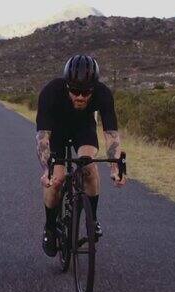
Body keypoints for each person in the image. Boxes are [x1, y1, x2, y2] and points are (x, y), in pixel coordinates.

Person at [35, 55, 127, 257]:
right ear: (66, 86)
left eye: (86, 93)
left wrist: (115, 168)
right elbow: (43, 138)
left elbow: (111, 134)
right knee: (56, 180)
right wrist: (46, 169)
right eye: (75, 91)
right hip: (56, 133)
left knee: (89, 168)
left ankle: (92, 220)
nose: (80, 97)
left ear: (94, 88)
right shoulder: (51, 92)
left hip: (83, 130)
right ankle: (50, 227)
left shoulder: (103, 94)